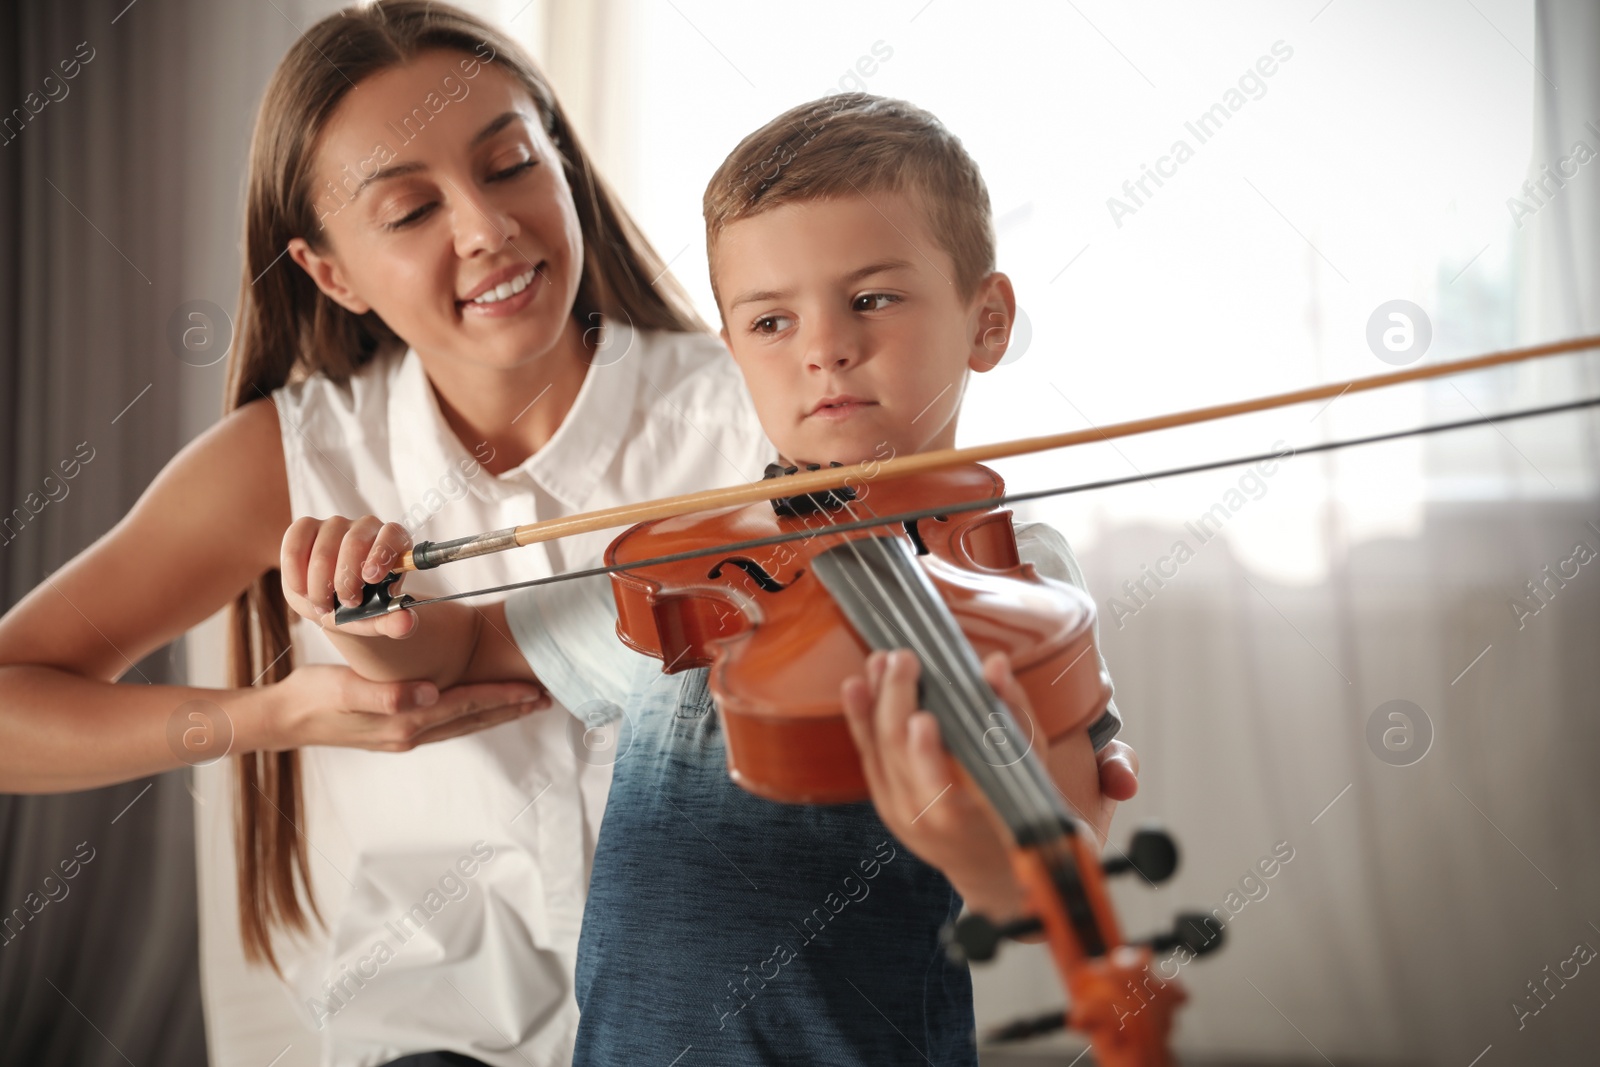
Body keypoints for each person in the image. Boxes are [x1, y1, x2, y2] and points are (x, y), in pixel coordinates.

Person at [0, 3, 803, 1065]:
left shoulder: (758, 409)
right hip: (434, 1036)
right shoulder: (284, 458)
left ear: (561, 160)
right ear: (330, 271)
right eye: (410, 208)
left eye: (510, 161)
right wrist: (271, 715)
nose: (486, 227)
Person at [283, 93, 1138, 1066]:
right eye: (771, 320)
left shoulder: (1013, 577)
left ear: (986, 322)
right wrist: (355, 605)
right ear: (732, 350)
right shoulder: (691, 567)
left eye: (871, 299)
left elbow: (1053, 857)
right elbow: (469, 646)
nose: (823, 347)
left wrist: (966, 843)